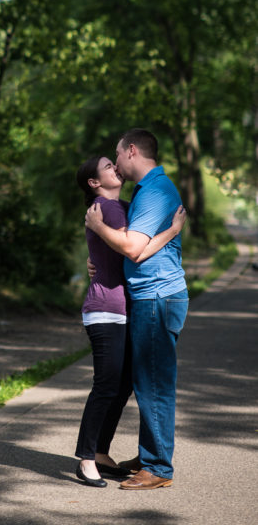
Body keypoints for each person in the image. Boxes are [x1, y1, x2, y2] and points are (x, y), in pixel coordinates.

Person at [85, 128, 189, 490]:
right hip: (148, 296)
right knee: (144, 379)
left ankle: (158, 467)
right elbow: (133, 250)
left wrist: (98, 228)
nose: (114, 161)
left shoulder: (156, 191)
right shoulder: (145, 192)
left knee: (154, 383)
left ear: (132, 151)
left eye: (117, 153)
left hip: (158, 296)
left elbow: (133, 249)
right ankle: (150, 456)